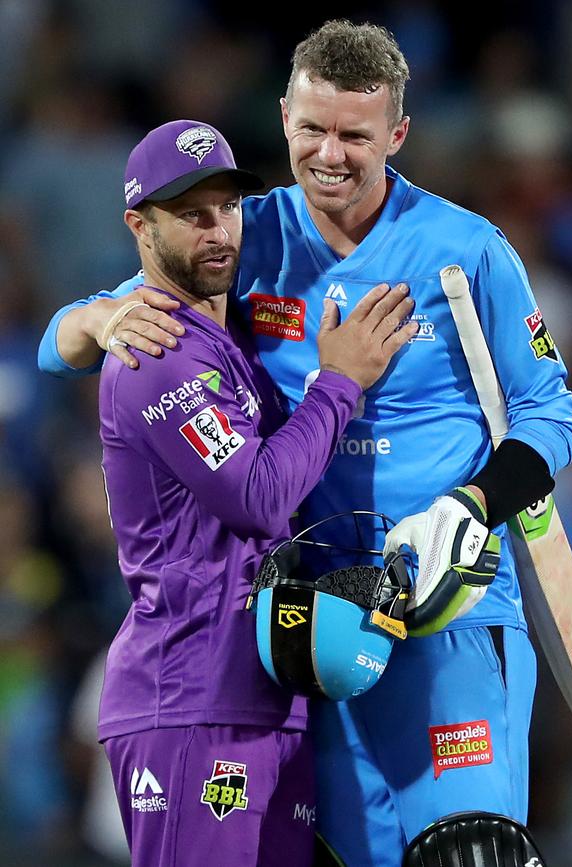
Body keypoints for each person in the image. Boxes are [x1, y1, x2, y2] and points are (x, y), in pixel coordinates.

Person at [38, 21, 572, 867]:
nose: (330, 154)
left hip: (447, 616)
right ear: (285, 113)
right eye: (312, 129)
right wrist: (97, 317)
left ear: (397, 135)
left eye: (356, 135)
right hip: (308, 631)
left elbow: (552, 411)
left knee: (471, 852)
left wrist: (474, 506)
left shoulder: (468, 251)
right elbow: (59, 344)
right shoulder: (243, 236)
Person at [63, 118, 416, 867]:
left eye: (227, 207)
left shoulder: (223, 336)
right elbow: (257, 494)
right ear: (139, 224)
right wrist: (340, 381)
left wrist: (79, 319)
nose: (218, 229)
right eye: (191, 214)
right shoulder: (154, 349)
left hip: (265, 694)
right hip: (189, 699)